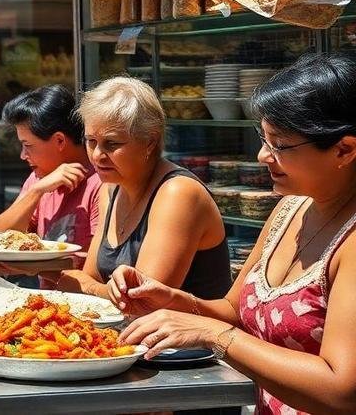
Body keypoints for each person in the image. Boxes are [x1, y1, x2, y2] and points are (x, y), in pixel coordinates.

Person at [113, 54, 356, 415]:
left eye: (280, 144)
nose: (262, 155)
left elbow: (341, 390)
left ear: (344, 149)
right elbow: (234, 310)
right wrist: (171, 300)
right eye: (263, 138)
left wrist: (216, 336)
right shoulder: (290, 209)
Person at [51, 76, 229, 302]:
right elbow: (91, 276)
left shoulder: (178, 193)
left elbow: (143, 301)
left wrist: (82, 284)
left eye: (112, 144)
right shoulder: (110, 189)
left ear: (150, 141)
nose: (97, 155)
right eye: (91, 141)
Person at [0, 85, 102, 274]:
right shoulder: (39, 180)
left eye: (28, 146)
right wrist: (36, 191)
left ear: (59, 140)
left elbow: (100, 265)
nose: (23, 155)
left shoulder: (100, 183)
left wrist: (35, 268)